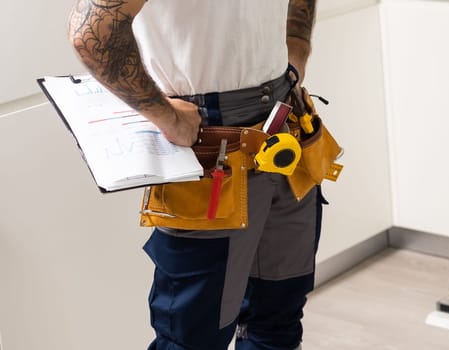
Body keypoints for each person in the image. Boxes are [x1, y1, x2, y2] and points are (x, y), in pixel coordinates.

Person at [67, 1, 322, 349]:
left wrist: (297, 44)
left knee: (279, 317)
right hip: (211, 144)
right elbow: (93, 31)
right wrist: (168, 116)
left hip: (286, 123)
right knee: (192, 337)